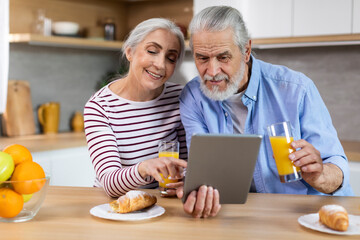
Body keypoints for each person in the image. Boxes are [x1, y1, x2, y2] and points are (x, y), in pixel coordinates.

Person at [175, 6, 354, 218]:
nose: (212, 72)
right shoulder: (193, 97)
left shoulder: (296, 89)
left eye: (223, 57)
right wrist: (194, 187)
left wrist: (321, 175)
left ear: (246, 50)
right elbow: (204, 172)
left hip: (299, 215)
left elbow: (337, 169)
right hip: (233, 216)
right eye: (202, 58)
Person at [84, 18, 187, 198]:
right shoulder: (100, 107)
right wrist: (145, 167)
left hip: (163, 203)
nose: (160, 65)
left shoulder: (180, 98)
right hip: (114, 205)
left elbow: (187, 165)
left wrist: (181, 182)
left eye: (171, 58)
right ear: (130, 52)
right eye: (152, 51)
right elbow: (109, 183)